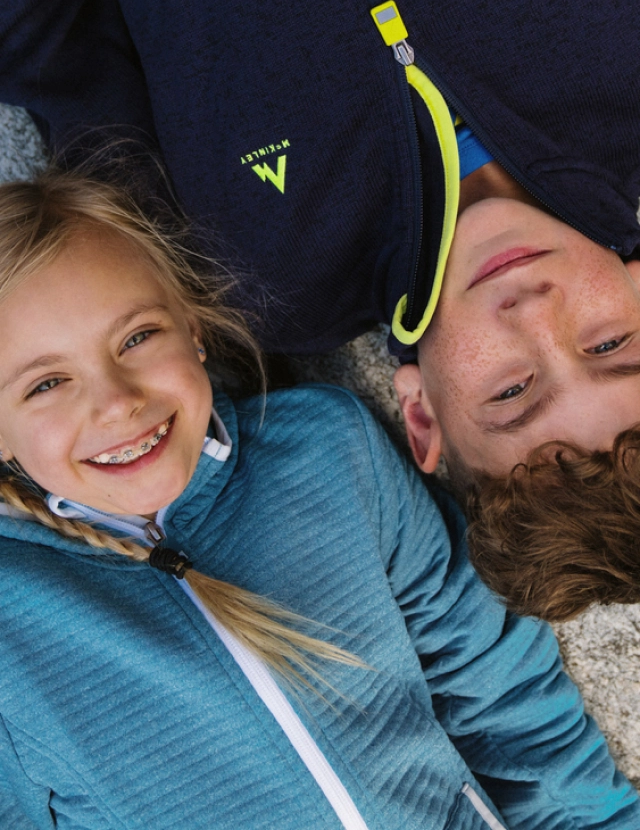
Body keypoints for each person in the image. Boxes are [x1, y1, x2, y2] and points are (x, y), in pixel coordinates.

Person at [4, 0, 640, 558]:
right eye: (609, 343)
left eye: (509, 390)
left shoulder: (254, 276)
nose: (536, 316)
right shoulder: (624, 90)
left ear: (422, 417)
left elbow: (59, 53)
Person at [0, 164, 637, 829]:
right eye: (45, 384)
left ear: (192, 328)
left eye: (138, 338)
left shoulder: (328, 452)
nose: (116, 404)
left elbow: (501, 694)